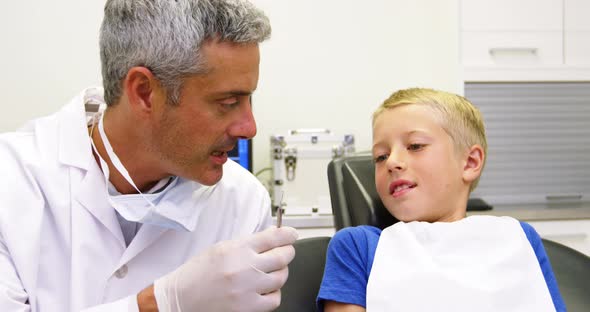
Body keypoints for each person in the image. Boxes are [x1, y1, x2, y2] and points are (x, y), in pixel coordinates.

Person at [0, 0, 298, 311]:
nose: (249, 128)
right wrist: (159, 303)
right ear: (144, 92)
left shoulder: (243, 203)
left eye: (248, 99)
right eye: (227, 102)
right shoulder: (12, 182)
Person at [317, 88, 566, 311]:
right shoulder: (358, 247)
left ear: (470, 163)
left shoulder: (517, 238)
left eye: (415, 146)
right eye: (381, 157)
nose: (392, 162)